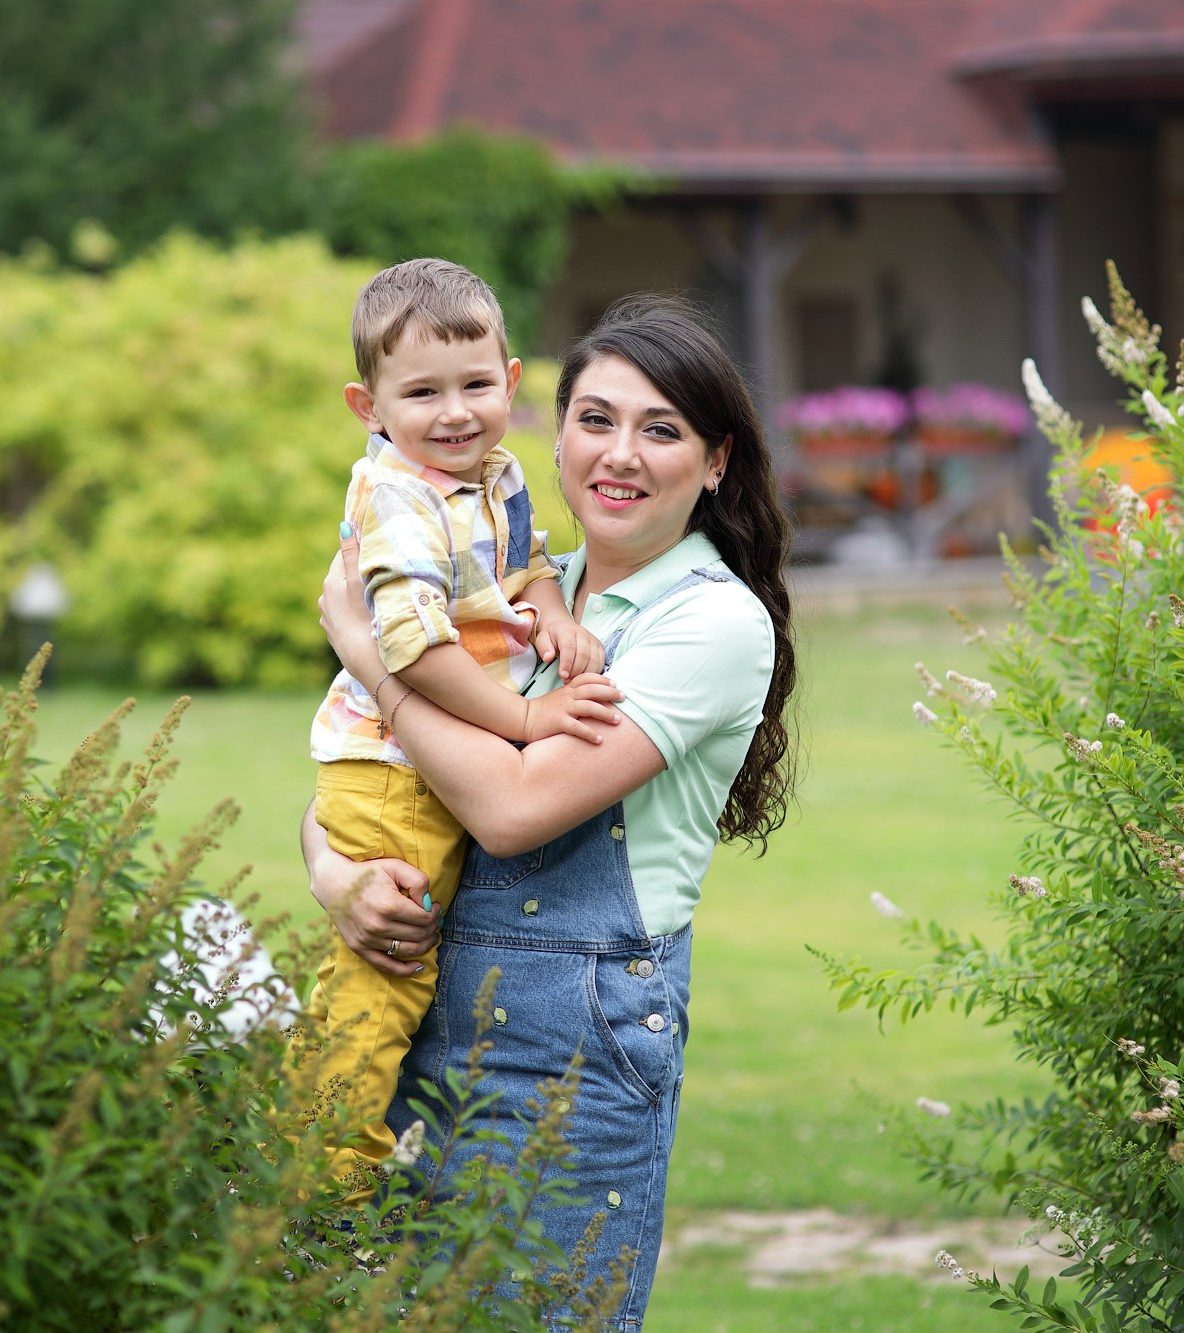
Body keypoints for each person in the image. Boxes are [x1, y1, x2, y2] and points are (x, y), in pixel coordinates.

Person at [306, 295, 798, 1327]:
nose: (619, 454)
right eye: (596, 419)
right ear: (553, 427)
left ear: (715, 462)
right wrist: (337, 877)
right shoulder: (512, 586)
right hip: (420, 1015)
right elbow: (365, 778)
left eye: (660, 429)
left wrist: (372, 657)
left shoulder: (709, 621)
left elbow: (510, 810)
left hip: (568, 1051)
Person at [298, 258, 609, 1185]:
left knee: (407, 967)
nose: (455, 412)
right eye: (421, 392)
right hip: (394, 764)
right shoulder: (400, 498)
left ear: (511, 383)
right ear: (369, 406)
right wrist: (526, 717)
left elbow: (523, 561)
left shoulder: (491, 472)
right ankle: (324, 1164)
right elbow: (411, 648)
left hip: (422, 751)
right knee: (383, 971)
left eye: (476, 385)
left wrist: (551, 606)